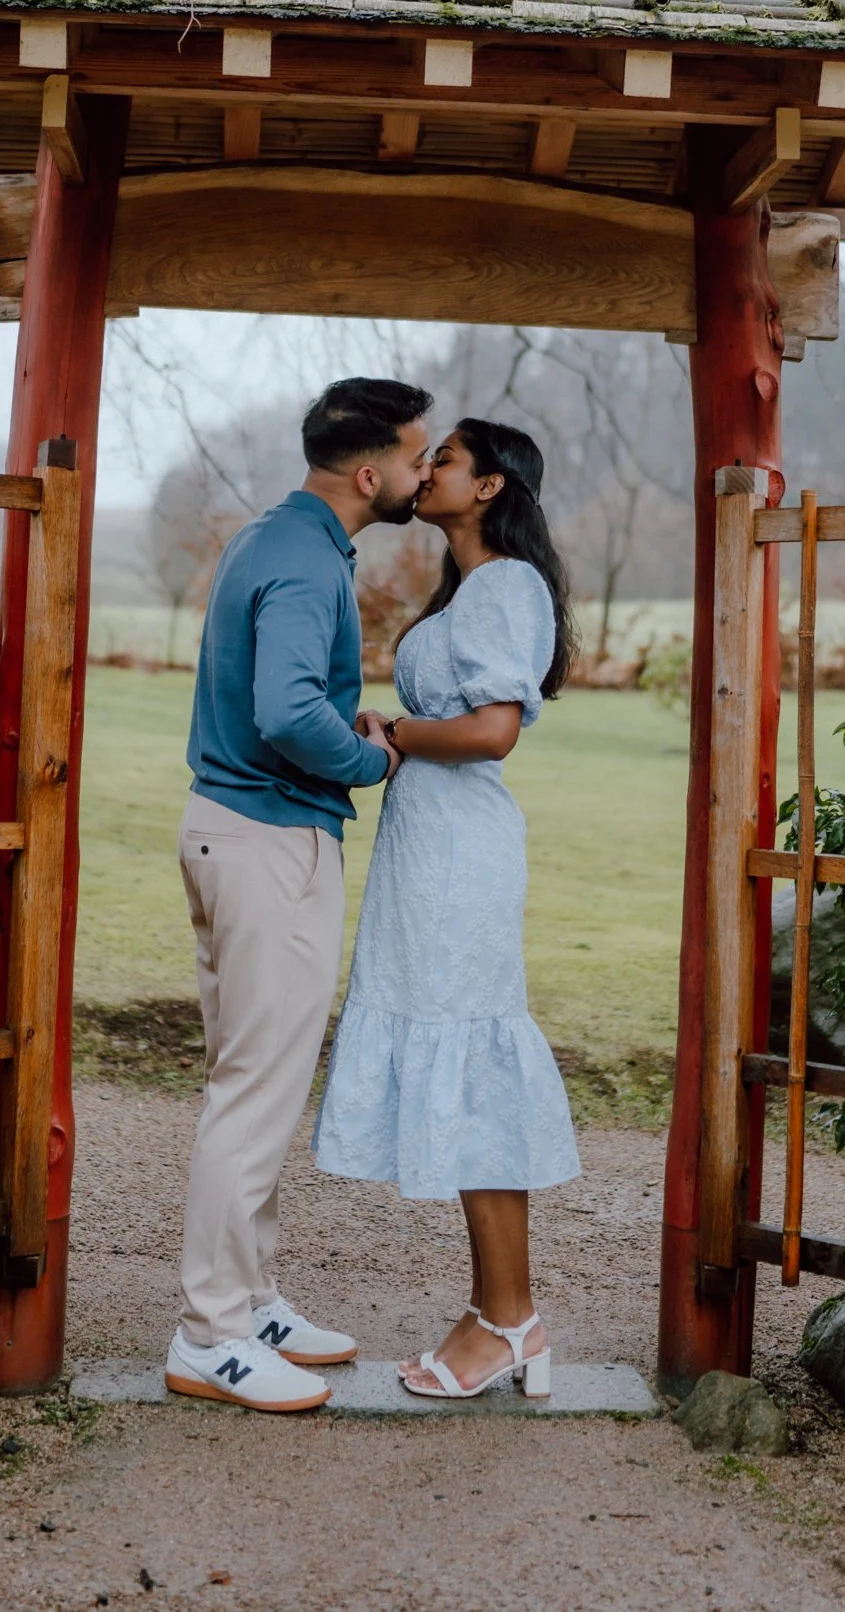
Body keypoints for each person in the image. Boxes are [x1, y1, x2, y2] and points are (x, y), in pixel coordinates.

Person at [165, 376, 433, 1413]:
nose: (421, 473)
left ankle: (250, 1299)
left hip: (229, 829)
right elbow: (283, 712)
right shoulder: (306, 560)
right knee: (254, 1093)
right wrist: (369, 760)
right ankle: (210, 1336)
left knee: (253, 1085)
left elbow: (285, 697)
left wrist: (340, 720)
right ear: (369, 474)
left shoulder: (274, 538)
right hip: (270, 841)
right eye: (414, 457)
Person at [313, 416, 581, 1400]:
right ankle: (495, 1313)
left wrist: (394, 731)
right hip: (427, 850)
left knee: (472, 1072)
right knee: (461, 1066)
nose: (426, 471)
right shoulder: (469, 590)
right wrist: (391, 732)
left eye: (447, 460)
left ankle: (509, 1319)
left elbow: (492, 730)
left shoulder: (506, 586)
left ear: (491, 487)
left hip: (460, 856)